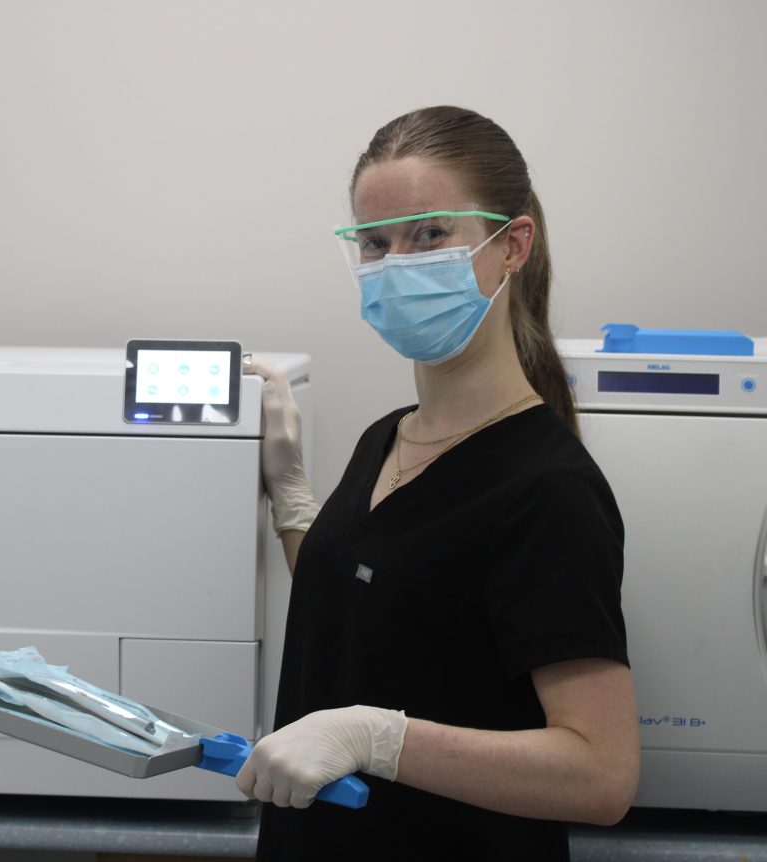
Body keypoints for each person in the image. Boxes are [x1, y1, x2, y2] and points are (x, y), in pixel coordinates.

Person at [237, 106, 640, 860]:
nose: (397, 264)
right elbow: (377, 602)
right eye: (374, 242)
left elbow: (602, 775)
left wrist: (376, 737)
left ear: (511, 245)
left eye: (428, 235)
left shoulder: (545, 488)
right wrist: (291, 500)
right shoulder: (386, 436)